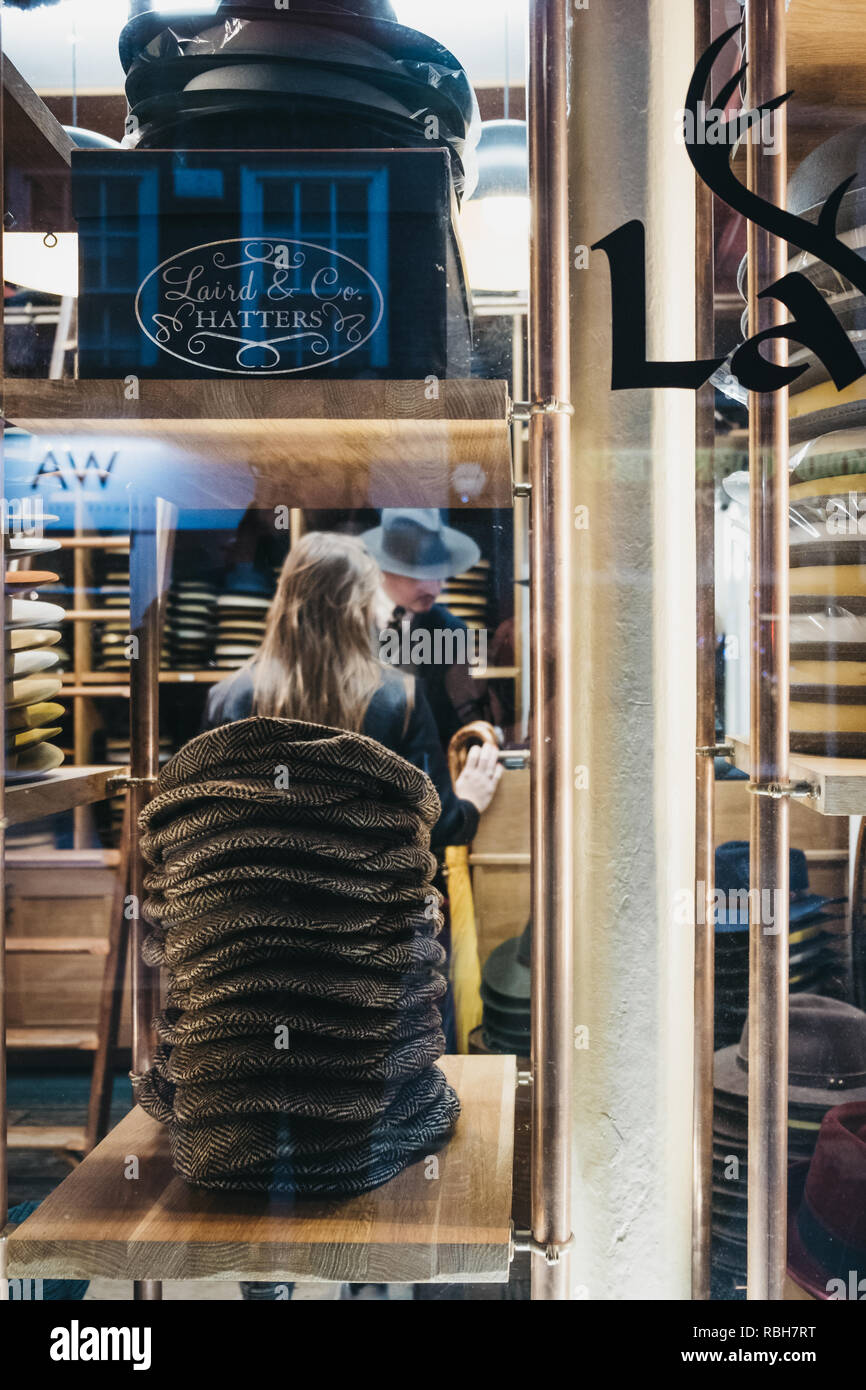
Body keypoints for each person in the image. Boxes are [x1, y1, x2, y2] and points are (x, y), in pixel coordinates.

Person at [203, 530, 501, 850]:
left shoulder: (227, 696)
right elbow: (437, 827)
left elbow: (209, 818)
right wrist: (468, 804)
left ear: (284, 598)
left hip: (253, 894)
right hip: (370, 897)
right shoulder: (401, 698)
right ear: (359, 607)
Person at [362, 508, 490, 749]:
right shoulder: (342, 622)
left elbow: (457, 722)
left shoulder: (452, 632)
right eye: (420, 575)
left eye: (440, 575)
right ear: (385, 569)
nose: (435, 589)